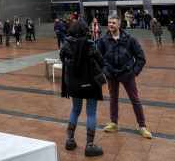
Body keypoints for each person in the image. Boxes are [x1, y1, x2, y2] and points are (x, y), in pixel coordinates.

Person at [97, 15, 152, 139]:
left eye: (113, 23)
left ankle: (142, 125)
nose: (111, 25)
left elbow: (141, 58)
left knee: (135, 99)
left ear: (119, 24)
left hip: (127, 74)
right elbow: (98, 58)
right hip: (111, 74)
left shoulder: (129, 39)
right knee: (113, 98)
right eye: (109, 22)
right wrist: (105, 70)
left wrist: (134, 72)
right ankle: (114, 123)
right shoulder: (103, 40)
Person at [60, 21, 105, 157]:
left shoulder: (66, 45)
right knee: (91, 113)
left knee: (75, 110)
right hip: (90, 84)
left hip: (74, 85)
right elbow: (101, 61)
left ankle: (70, 140)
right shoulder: (90, 45)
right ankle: (90, 145)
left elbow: (63, 60)